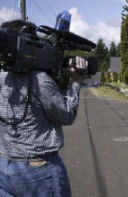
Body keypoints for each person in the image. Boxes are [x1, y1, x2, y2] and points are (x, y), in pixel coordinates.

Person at [0, 57, 86, 197]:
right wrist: (75, 81)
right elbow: (67, 115)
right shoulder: (40, 80)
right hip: (37, 170)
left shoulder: (3, 76)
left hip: (4, 165)